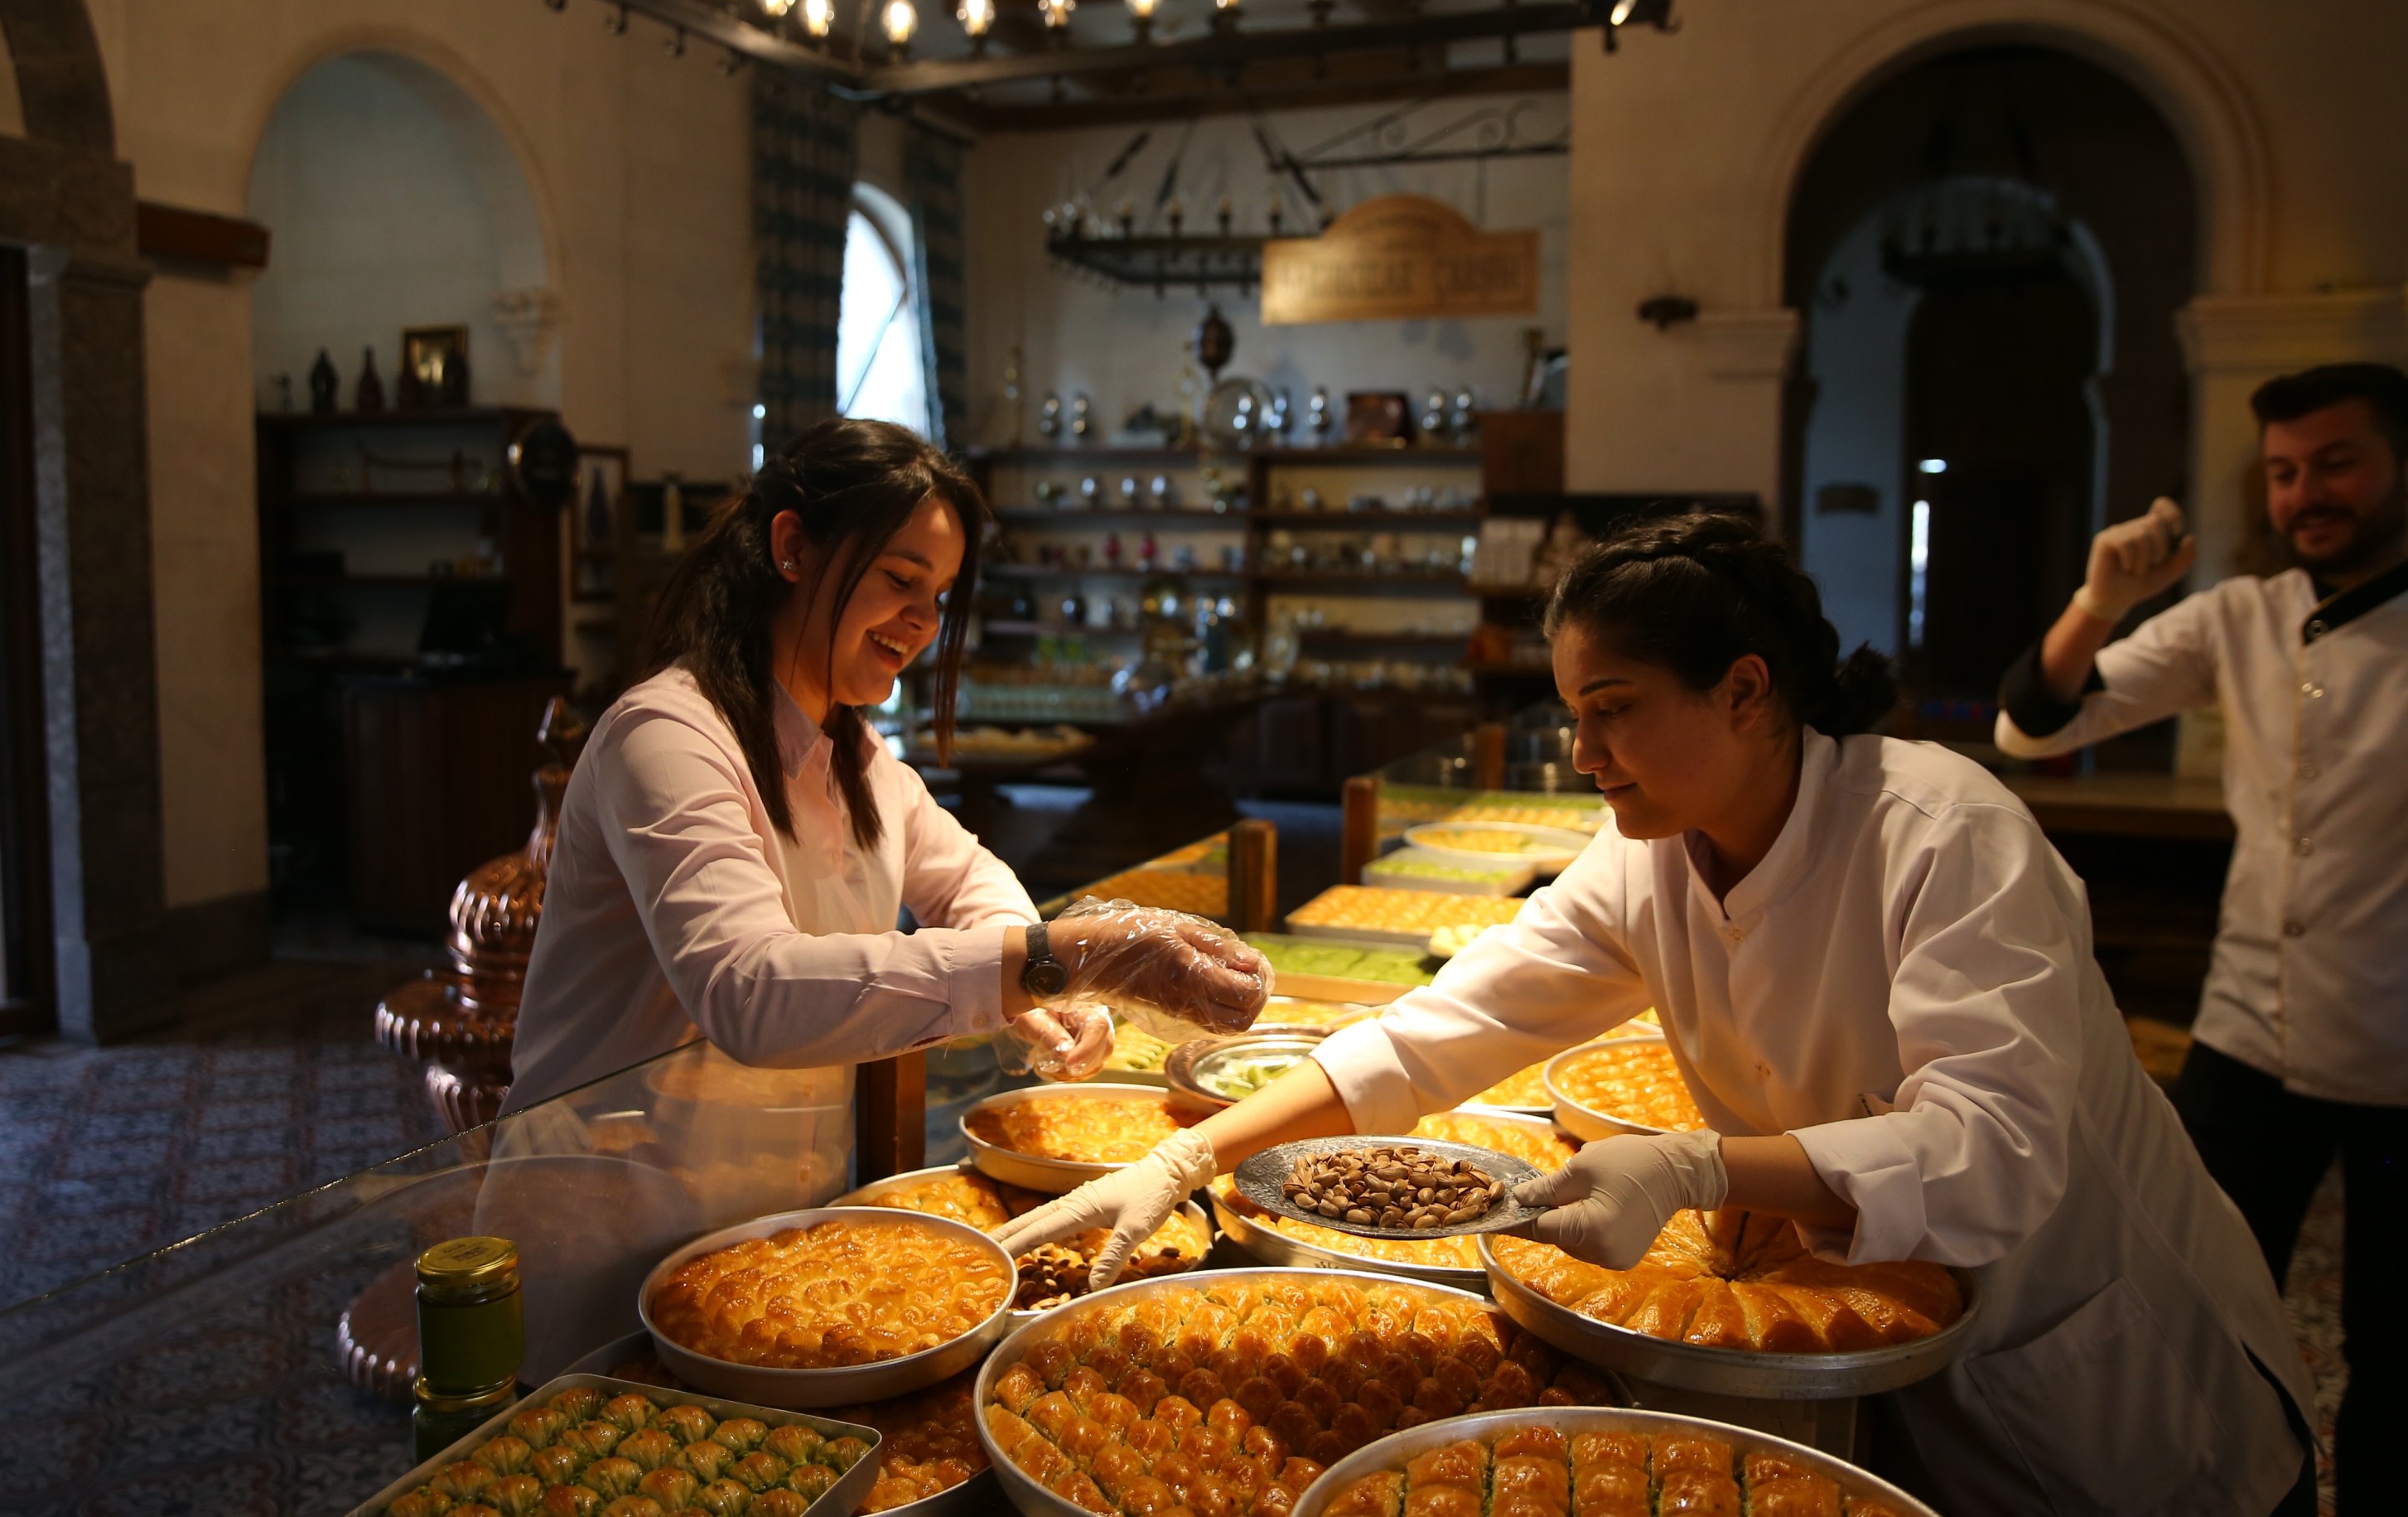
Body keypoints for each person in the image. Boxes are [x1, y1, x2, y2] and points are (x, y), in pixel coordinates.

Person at [1001, 513, 2315, 1517]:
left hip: (2116, 1373)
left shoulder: (1942, 834)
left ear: (1746, 691)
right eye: (1573, 718)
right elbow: (1446, 1028)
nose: (1584, 758)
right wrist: (1191, 1155)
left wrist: (1698, 1164)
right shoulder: (1652, 854)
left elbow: (1995, 1149)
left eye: (1615, 714)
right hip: (1889, 1347)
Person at [504, 418, 1268, 1115]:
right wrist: (1062, 954)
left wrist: (1045, 985)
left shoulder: (858, 758)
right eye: (901, 579)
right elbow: (751, 992)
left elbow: (966, 878)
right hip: (606, 1205)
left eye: (937, 594)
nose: (925, 621)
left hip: (786, 1224)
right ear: (793, 548)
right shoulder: (666, 737)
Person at [1993, 360, 2408, 1512]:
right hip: (2244, 1035)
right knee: (2199, 1303)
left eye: (2336, 462)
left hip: (2399, 1047)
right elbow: (2033, 724)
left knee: (2392, 1347)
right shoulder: (2245, 615)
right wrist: (2103, 597)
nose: (2305, 493)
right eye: (2282, 473)